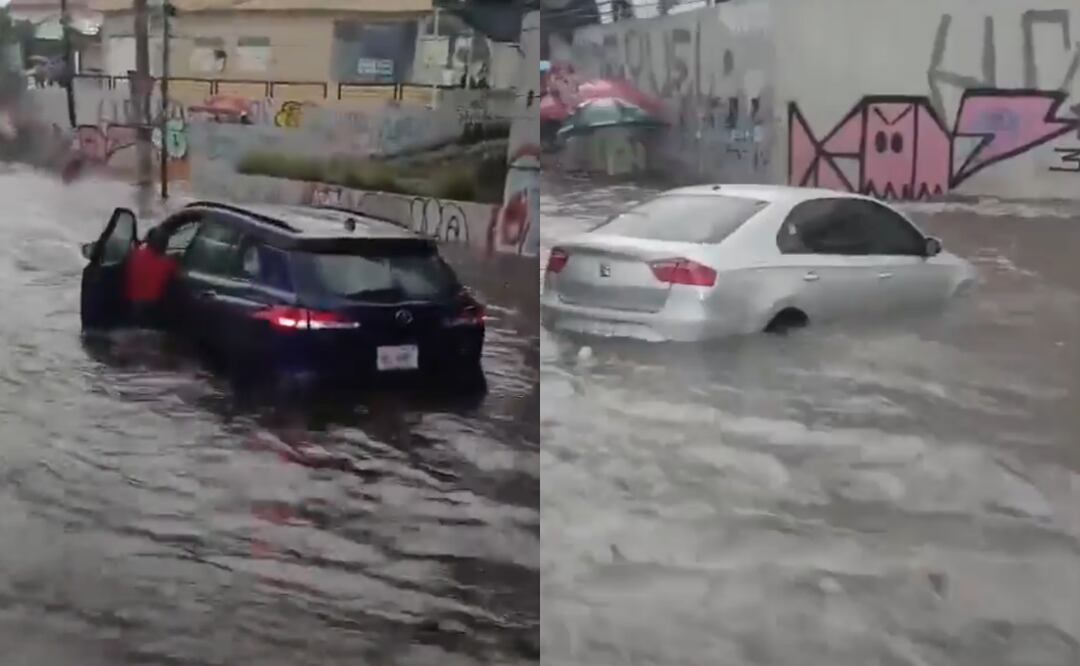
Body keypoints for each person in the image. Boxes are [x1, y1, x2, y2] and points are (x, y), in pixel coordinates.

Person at [125, 227, 179, 328]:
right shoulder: (168, 264)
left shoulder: (134, 255)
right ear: (165, 245)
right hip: (153, 312)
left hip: (131, 307)